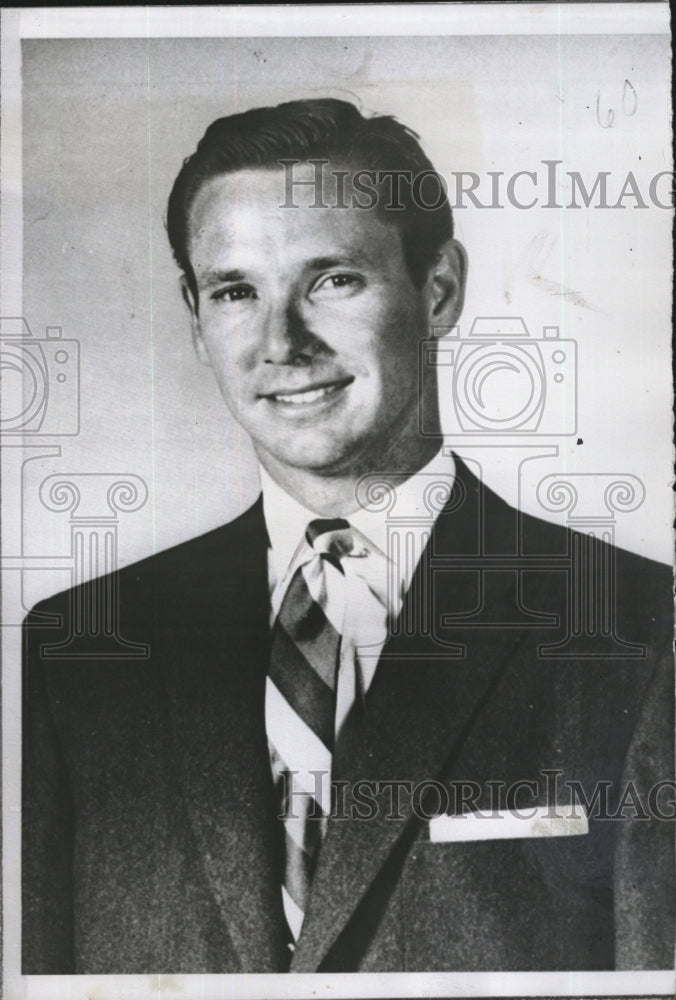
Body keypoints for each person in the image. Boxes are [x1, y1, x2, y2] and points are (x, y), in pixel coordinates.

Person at [22, 98, 673, 974]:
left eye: (333, 279)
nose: (281, 343)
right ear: (194, 313)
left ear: (437, 291)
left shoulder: (641, 629)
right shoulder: (75, 654)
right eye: (236, 291)